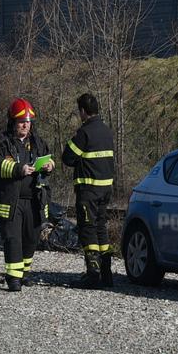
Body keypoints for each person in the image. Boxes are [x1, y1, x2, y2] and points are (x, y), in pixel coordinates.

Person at [0, 98, 54, 292]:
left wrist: (50, 166)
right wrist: (19, 169)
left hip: (34, 199)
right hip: (11, 200)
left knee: (31, 237)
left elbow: (47, 159)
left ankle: (24, 273)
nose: (25, 125)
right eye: (21, 122)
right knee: (13, 238)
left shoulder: (38, 142)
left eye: (28, 122)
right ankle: (13, 278)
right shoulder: (1, 142)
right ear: (12, 122)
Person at [62, 92, 117, 288]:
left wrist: (72, 142)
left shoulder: (84, 133)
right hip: (105, 190)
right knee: (101, 228)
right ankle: (107, 274)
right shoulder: (107, 131)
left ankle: (93, 274)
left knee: (88, 230)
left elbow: (67, 158)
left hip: (88, 190)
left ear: (83, 111)